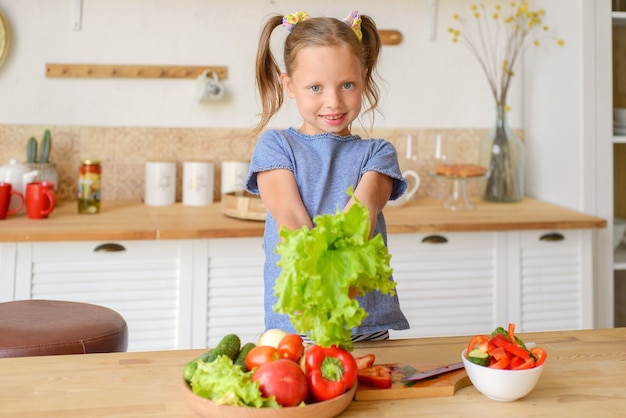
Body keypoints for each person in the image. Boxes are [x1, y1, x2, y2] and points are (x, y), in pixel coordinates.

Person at [245, 10, 409, 342]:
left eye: (347, 84)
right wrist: (321, 296)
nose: (333, 101)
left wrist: (336, 296)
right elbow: (289, 217)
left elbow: (358, 222)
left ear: (364, 77)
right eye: (315, 87)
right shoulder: (276, 146)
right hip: (297, 329)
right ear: (289, 86)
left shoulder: (378, 154)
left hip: (365, 328)